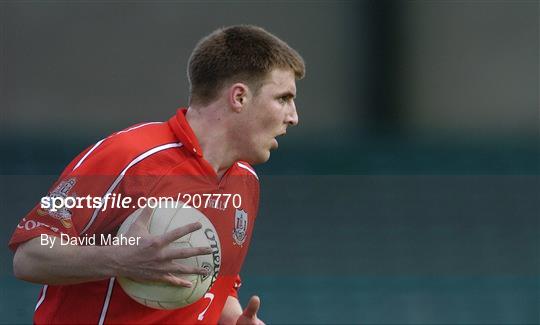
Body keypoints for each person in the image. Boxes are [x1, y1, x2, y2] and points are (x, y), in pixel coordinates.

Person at [10, 25, 305, 324]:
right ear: (239, 97)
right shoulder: (130, 155)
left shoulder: (245, 182)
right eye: (283, 98)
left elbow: (215, 291)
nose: (293, 117)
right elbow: (30, 256)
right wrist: (119, 258)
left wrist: (234, 320)